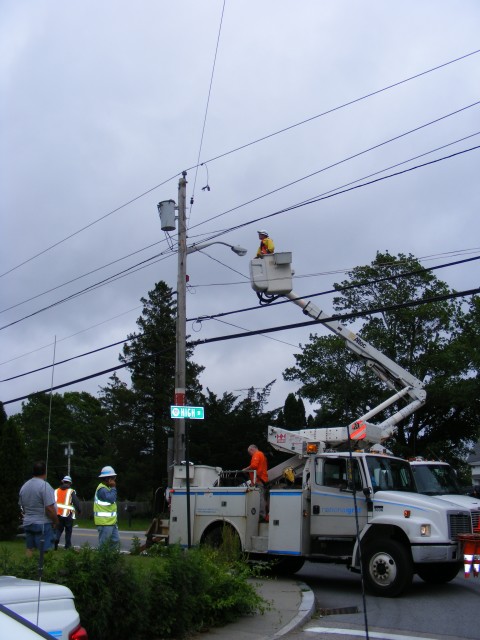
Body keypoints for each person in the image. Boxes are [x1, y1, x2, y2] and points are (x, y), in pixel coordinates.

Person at [19, 461, 59, 557]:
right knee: (45, 551)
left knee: (29, 548)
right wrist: (55, 521)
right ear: (45, 472)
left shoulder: (24, 486)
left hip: (28, 522)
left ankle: (28, 568)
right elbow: (49, 508)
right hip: (42, 523)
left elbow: (22, 506)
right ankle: (43, 569)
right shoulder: (44, 486)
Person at [94, 465, 119, 547]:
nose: (114, 480)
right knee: (104, 545)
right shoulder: (102, 489)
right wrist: (113, 487)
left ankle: (112, 559)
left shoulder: (107, 488)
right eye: (113, 478)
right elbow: (111, 499)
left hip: (111, 522)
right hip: (104, 523)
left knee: (115, 541)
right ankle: (102, 560)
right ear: (108, 479)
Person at [54, 475, 81, 550]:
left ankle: (56, 540)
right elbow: (76, 502)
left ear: (63, 482)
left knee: (58, 529)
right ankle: (67, 546)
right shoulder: (71, 491)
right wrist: (79, 510)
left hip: (58, 514)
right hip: (68, 514)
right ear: (70, 483)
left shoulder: (56, 491)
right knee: (68, 531)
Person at [242, 444, 269, 520]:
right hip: (262, 479)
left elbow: (254, 465)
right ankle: (263, 514)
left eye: (249, 452)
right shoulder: (262, 455)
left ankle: (261, 515)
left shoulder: (257, 454)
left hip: (258, 479)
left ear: (252, 449)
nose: (250, 455)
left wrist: (246, 469)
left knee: (260, 498)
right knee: (262, 497)